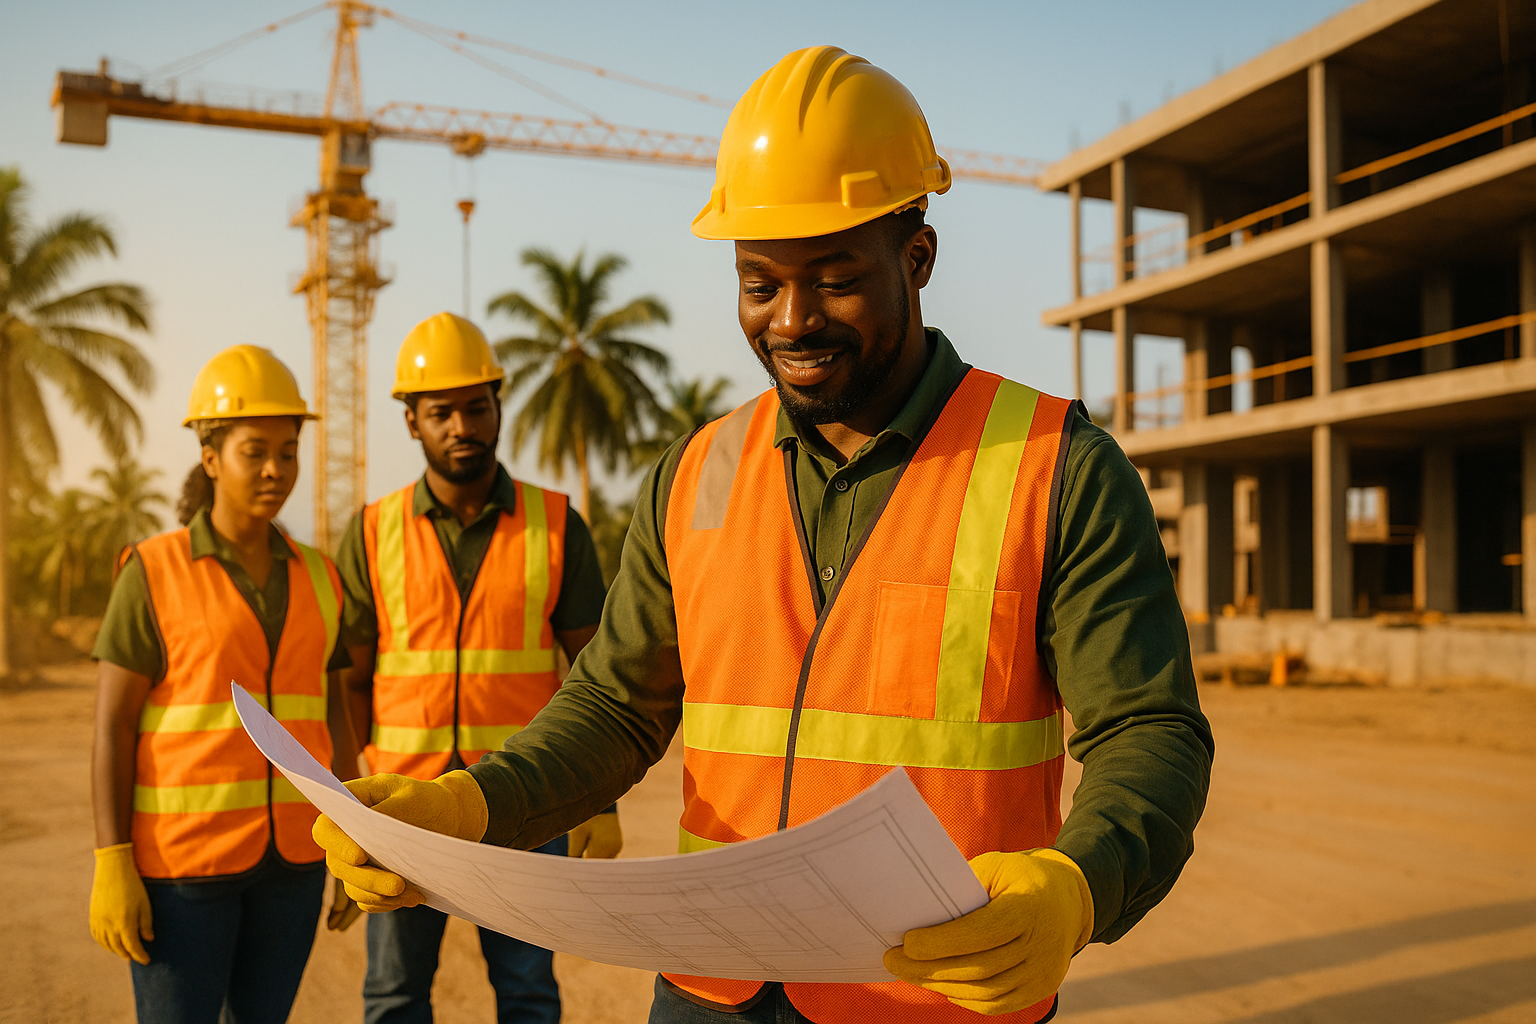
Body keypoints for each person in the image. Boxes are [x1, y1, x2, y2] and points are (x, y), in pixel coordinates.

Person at [317, 47, 1214, 1024]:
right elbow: (616, 707)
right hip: (713, 989)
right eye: (759, 284)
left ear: (917, 258)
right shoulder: (696, 473)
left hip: (932, 1001)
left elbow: (1150, 730)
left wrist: (1080, 884)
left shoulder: (1057, 469)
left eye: (834, 279)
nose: (792, 321)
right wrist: (468, 804)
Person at [331, 312, 615, 1024]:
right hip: (402, 806)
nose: (462, 426)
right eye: (441, 412)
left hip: (523, 801)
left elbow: (599, 681)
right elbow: (349, 684)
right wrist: (346, 809)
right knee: (395, 996)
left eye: (476, 407)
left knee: (527, 993)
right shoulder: (372, 531)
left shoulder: (557, 525)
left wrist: (598, 802)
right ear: (412, 422)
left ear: (498, 405)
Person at [89, 345, 360, 1024]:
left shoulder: (322, 577)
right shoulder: (152, 572)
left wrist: (359, 837)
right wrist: (112, 859)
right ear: (210, 458)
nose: (276, 469)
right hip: (182, 871)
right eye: (254, 452)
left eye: (288, 452)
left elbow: (336, 720)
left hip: (294, 865)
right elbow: (113, 726)